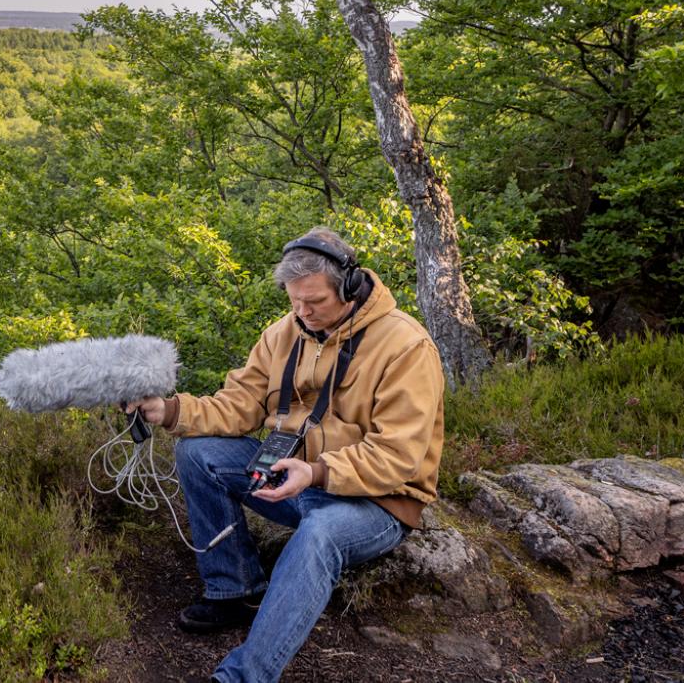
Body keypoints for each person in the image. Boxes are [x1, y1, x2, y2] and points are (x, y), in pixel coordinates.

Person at [127, 227, 446, 683]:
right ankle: (233, 588)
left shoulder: (406, 346)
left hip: (376, 501)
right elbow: (238, 406)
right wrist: (171, 409)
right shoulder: (285, 332)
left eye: (314, 301)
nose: (302, 311)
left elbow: (399, 456)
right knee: (198, 452)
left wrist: (316, 473)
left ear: (350, 287)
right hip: (292, 476)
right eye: (294, 300)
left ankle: (244, 676)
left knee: (319, 534)